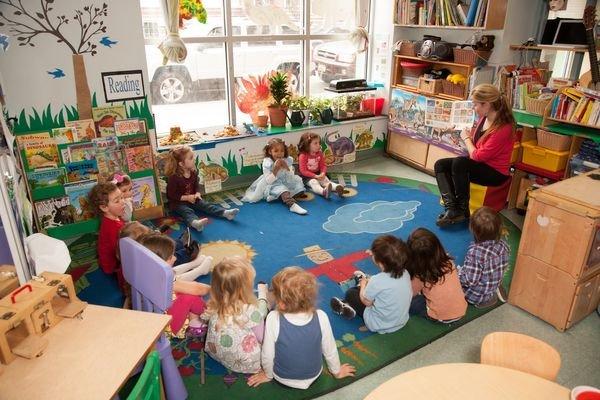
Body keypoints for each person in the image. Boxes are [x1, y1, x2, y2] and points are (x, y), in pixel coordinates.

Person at [248, 267, 355, 389]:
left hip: (282, 378)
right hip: (314, 375)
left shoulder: (273, 318)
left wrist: (268, 375)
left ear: (281, 304)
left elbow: (267, 354)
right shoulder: (321, 316)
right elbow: (329, 349)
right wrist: (336, 371)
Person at [434, 83, 515, 227]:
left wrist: (465, 138)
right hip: (482, 165)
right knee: (440, 164)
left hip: (496, 173)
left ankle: (463, 210)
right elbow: (476, 143)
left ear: (487, 104)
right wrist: (455, 131)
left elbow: (477, 156)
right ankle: (452, 208)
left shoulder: (504, 128)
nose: (473, 107)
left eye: (475, 104)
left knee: (460, 162)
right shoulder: (484, 118)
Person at [330, 235, 412, 334]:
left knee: (351, 293)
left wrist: (364, 284)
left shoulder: (377, 281)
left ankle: (348, 303)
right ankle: (348, 303)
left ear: (379, 262)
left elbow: (366, 302)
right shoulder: (406, 273)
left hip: (378, 324)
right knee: (378, 293)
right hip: (401, 321)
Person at [202, 256, 269, 374]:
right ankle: (264, 295)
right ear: (244, 289)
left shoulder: (214, 304)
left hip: (216, 353)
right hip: (246, 362)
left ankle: (264, 296)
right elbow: (262, 338)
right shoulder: (250, 310)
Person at [138, 233, 211, 336]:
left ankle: (193, 321)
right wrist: (213, 289)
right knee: (190, 296)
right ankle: (207, 313)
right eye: (170, 257)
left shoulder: (144, 272)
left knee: (187, 288)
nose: (175, 259)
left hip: (152, 316)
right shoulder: (162, 279)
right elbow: (198, 289)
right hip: (164, 327)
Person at [165, 145, 239, 231]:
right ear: (181, 164)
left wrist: (197, 193)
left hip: (193, 199)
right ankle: (195, 223)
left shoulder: (193, 172)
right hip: (178, 203)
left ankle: (225, 213)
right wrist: (187, 198)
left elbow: (196, 185)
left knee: (206, 205)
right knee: (186, 211)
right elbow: (171, 195)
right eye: (191, 158)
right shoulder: (174, 177)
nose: (194, 160)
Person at [406, 228, 467, 323]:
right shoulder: (448, 262)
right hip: (461, 308)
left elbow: (410, 293)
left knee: (411, 302)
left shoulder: (420, 275)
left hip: (440, 316)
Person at [119, 221, 213, 280]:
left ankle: (182, 245)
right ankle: (190, 256)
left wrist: (157, 233)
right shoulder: (148, 265)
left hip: (158, 261)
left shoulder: (135, 255)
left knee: (169, 245)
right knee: (173, 257)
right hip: (163, 277)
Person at [459, 206, 509, 308]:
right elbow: (503, 265)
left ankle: (483, 300)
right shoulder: (503, 245)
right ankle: (493, 288)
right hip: (493, 281)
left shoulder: (475, 253)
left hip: (475, 295)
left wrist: (457, 274)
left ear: (472, 229)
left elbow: (470, 280)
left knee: (450, 281)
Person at [242, 138, 308, 215]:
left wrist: (285, 165)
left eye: (282, 151)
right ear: (270, 151)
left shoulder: (286, 159)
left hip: (285, 179)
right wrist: (276, 169)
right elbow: (269, 181)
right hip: (273, 183)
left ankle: (278, 196)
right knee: (283, 190)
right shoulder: (267, 163)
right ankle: (292, 205)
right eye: (276, 151)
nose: (279, 153)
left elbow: (288, 172)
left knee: (300, 189)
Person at [89, 182, 126, 291]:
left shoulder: (114, 218)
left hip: (115, 258)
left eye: (122, 197)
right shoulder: (112, 228)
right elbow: (122, 255)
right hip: (113, 267)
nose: (123, 202)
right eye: (117, 201)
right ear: (104, 208)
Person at [297, 132, 345, 198]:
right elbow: (303, 171)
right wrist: (315, 176)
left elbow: (323, 165)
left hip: (318, 173)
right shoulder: (303, 156)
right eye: (315, 143)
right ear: (307, 145)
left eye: (319, 143)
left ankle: (336, 187)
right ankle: (323, 192)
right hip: (307, 176)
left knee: (325, 180)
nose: (319, 145)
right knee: (314, 183)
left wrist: (322, 173)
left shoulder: (319, 153)